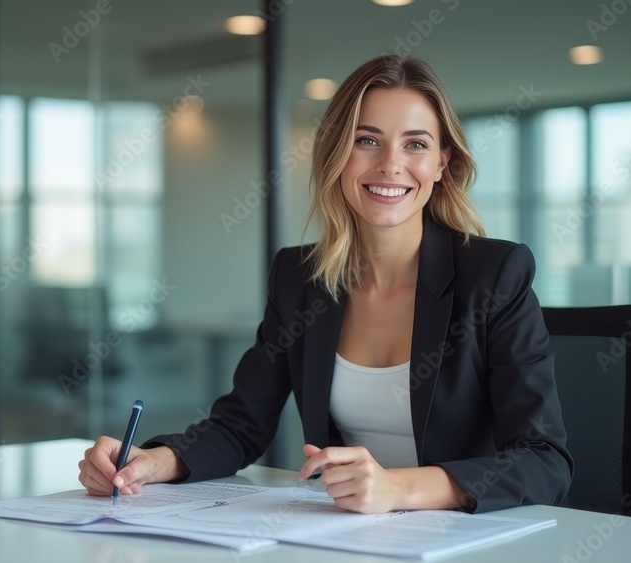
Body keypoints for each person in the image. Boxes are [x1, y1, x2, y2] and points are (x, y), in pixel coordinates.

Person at [78, 54, 573, 514]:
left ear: (443, 162)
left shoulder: (495, 274)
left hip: (466, 538)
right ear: (338, 153)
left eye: (416, 144)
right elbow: (241, 425)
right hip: (340, 532)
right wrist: (153, 462)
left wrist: (397, 487)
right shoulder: (300, 279)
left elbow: (543, 460)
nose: (390, 164)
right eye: (367, 139)